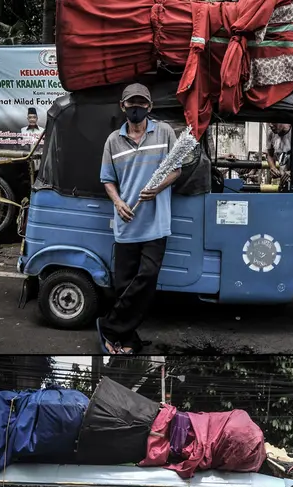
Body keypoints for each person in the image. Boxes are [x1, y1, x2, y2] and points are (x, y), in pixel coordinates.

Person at [97, 83, 182, 355]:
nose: (137, 109)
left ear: (150, 107)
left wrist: (158, 187)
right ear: (123, 107)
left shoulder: (165, 132)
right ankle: (128, 340)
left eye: (141, 104)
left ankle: (108, 327)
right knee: (124, 286)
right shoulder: (112, 140)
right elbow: (107, 180)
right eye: (131, 104)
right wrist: (119, 202)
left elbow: (176, 169)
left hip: (156, 223)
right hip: (126, 223)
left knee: (147, 277)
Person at [265, 123, 292, 188]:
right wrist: (272, 167)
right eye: (269, 122)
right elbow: (269, 154)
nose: (270, 125)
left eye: (273, 121)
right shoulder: (271, 133)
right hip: (283, 182)